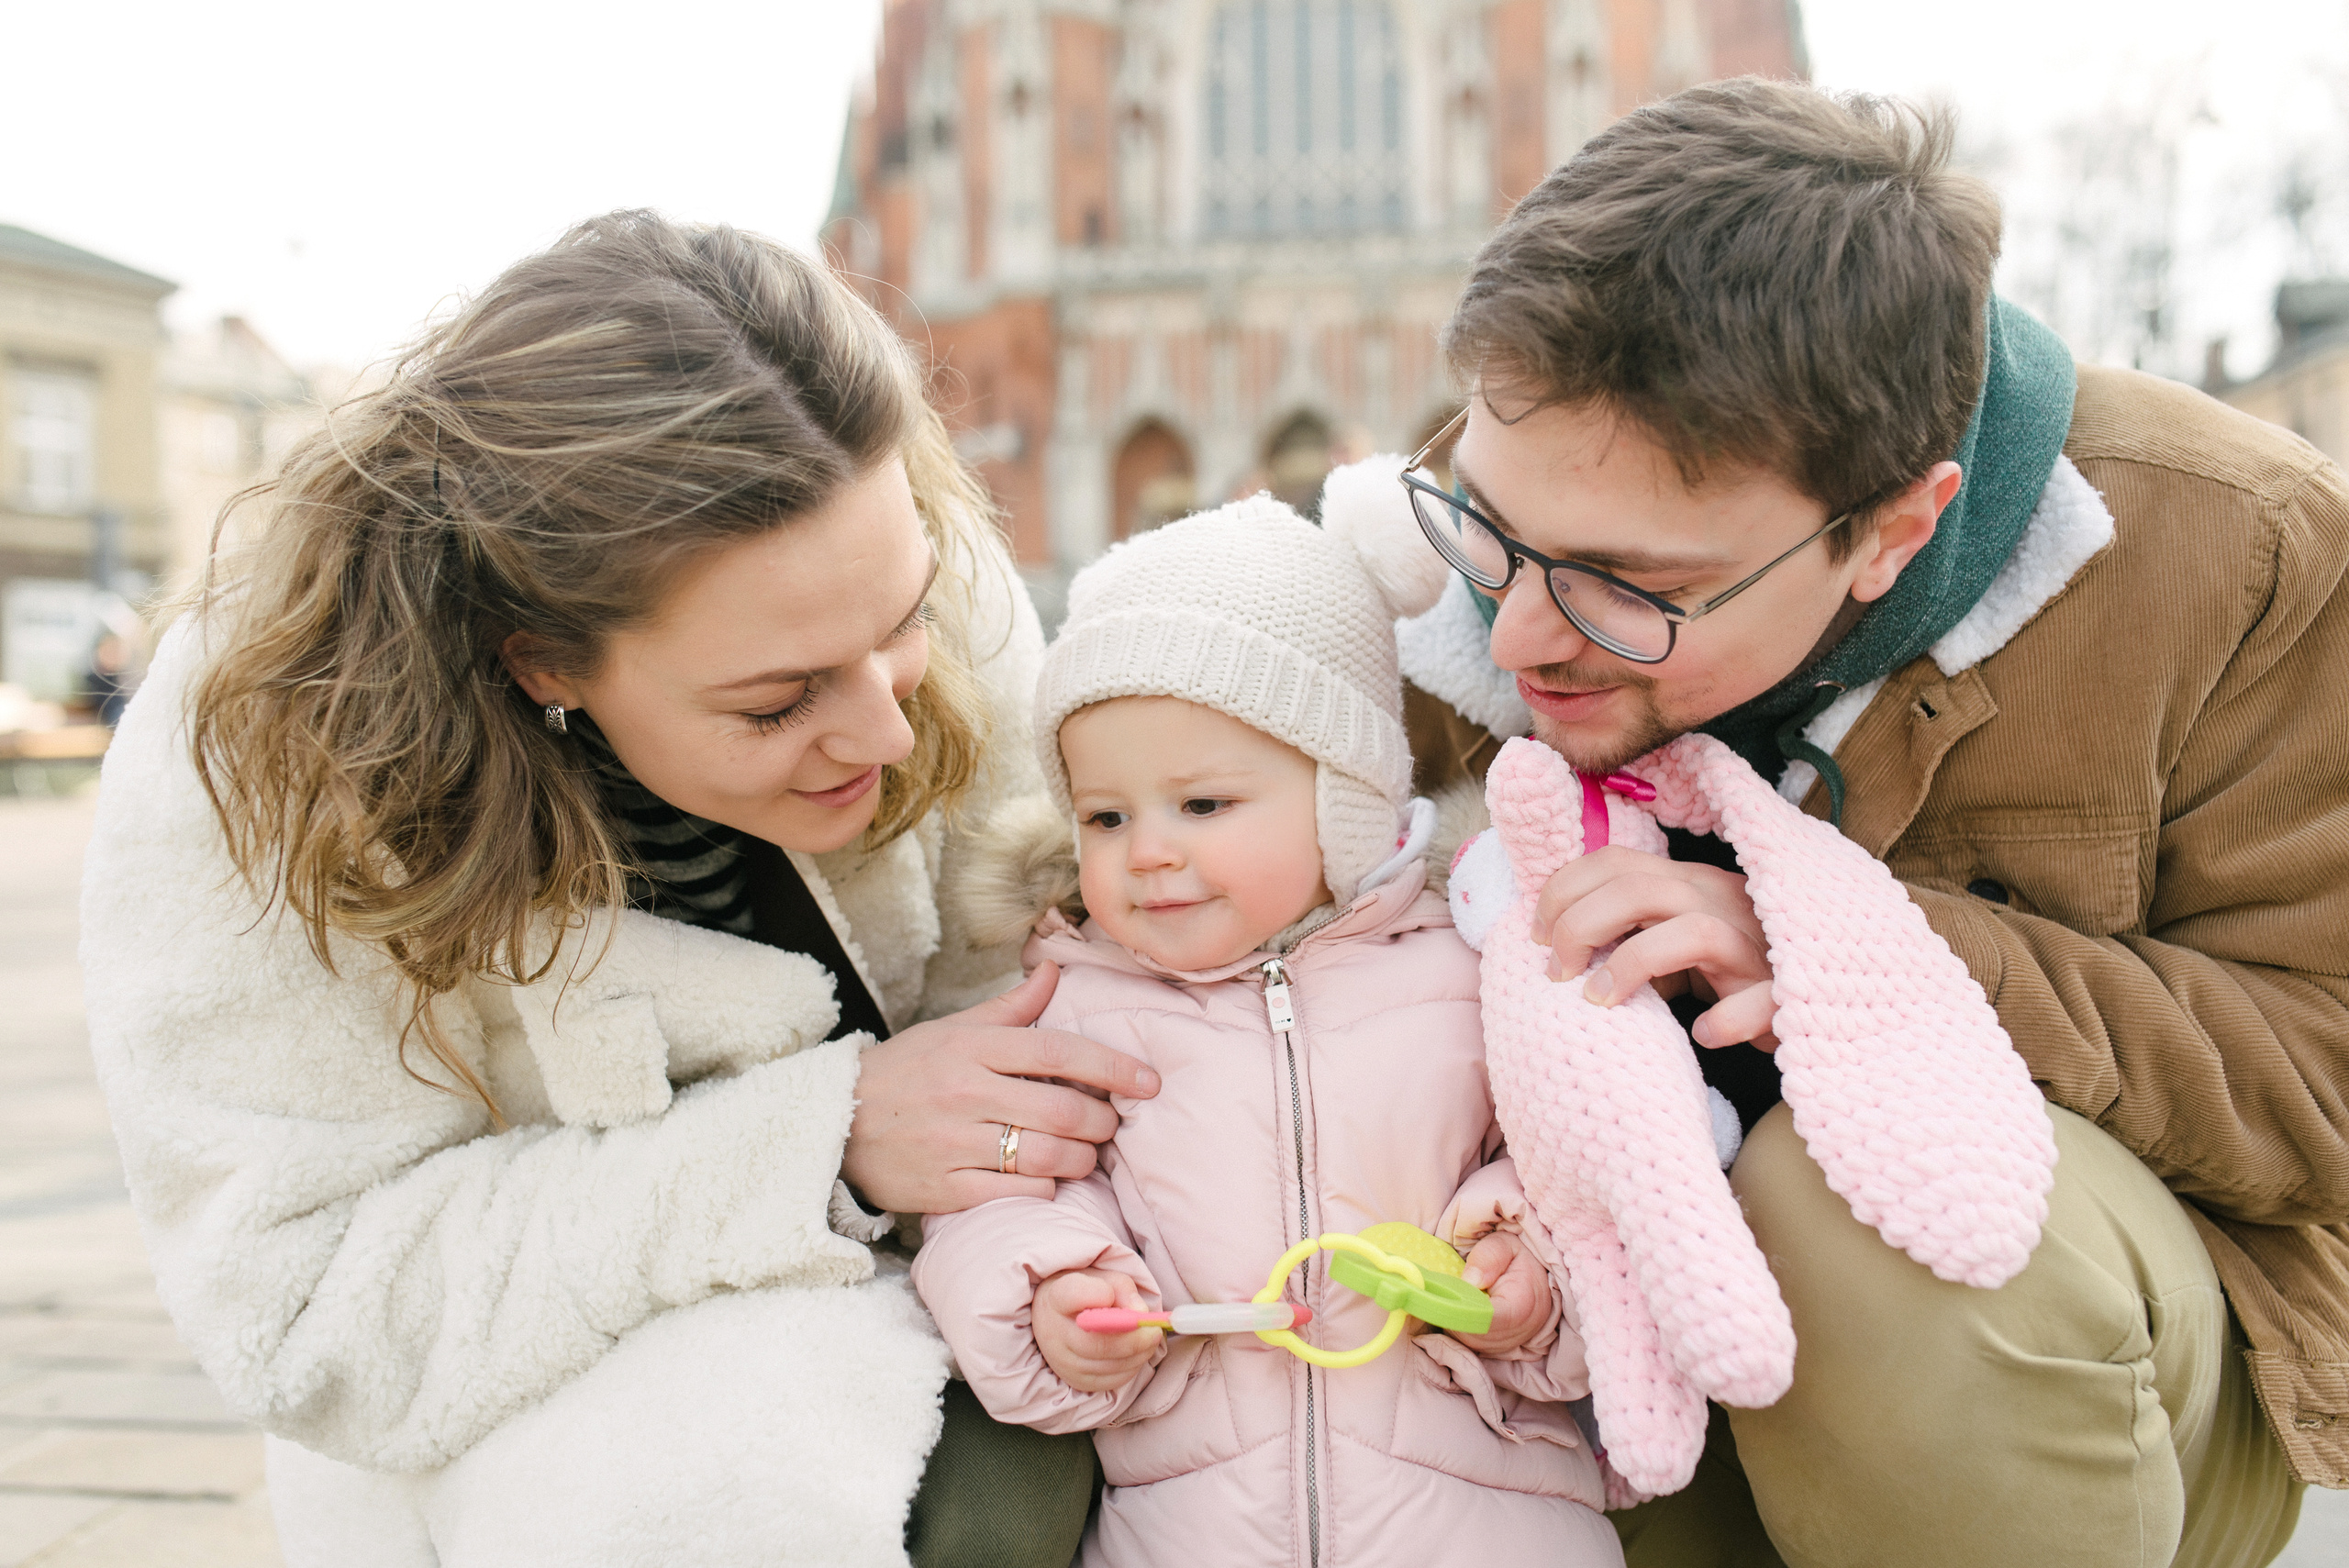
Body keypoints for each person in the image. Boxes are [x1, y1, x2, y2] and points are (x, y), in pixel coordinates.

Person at [76, 212, 1154, 1568]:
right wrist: (817, 1144)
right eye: (775, 703)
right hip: (539, 1436)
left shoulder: (897, 561)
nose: (888, 728)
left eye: (906, 629)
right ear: (544, 663)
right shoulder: (259, 764)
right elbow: (307, 1313)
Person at [1389, 79, 2345, 1566]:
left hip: (2091, 1340)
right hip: (1632, 1312)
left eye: (1623, 587)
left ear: (1894, 528)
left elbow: (2326, 1080)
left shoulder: (2248, 553)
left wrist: (1866, 952)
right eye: (1486, 529)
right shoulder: (1549, 464)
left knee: (1842, 1215)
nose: (1511, 634)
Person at [912, 493, 1623, 1567]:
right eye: (1105, 815)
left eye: (1200, 806)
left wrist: (1518, 1268)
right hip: (1189, 1529)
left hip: (1485, 1514)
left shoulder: (1475, 966)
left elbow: (1572, 1165)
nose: (1146, 849)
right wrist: (1052, 1285)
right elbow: (997, 1200)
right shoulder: (1076, 1010)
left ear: (1345, 796)